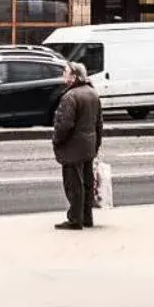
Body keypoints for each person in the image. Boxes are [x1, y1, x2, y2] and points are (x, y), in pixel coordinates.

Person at [51, 59, 102, 229]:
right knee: (87, 183)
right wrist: (96, 144)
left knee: (74, 184)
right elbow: (98, 123)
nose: (63, 75)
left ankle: (75, 219)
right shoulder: (92, 93)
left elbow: (64, 124)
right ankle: (87, 217)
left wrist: (57, 140)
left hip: (73, 147)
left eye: (65, 72)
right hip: (89, 145)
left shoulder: (70, 97)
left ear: (73, 76)